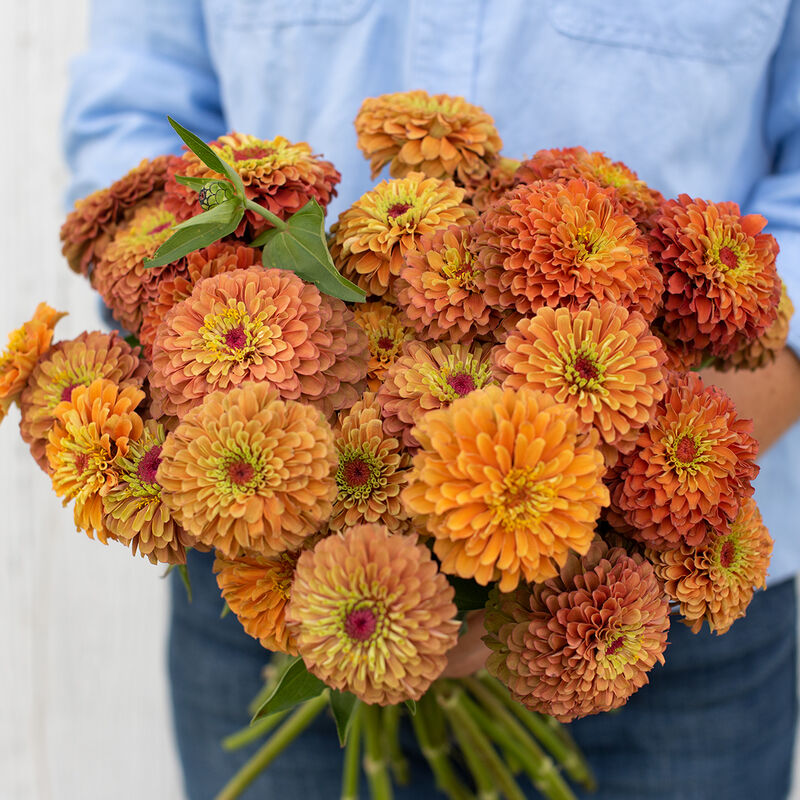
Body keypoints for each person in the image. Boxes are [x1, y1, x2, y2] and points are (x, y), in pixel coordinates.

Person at [63, 2, 800, 798]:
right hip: (275, 579)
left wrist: (640, 468)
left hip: (661, 608)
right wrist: (169, 305)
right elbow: (132, 111)